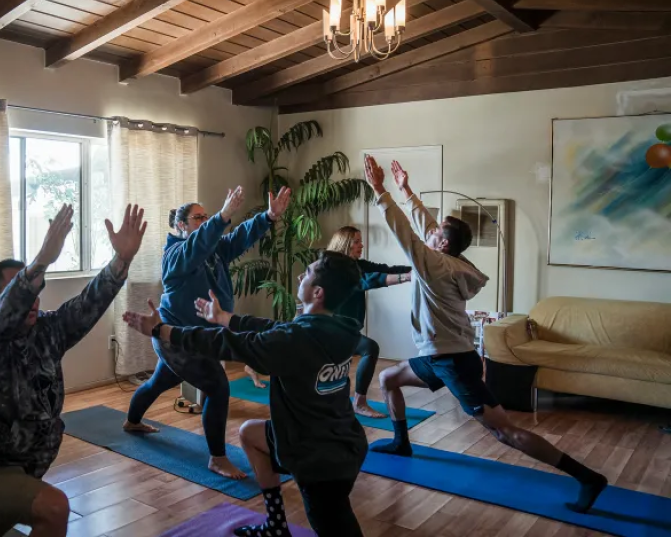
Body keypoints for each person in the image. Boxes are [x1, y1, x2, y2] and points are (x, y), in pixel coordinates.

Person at [364, 155, 608, 514]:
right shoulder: (456, 262)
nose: (430, 231)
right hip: (438, 355)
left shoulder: (432, 265)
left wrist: (381, 191)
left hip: (453, 361)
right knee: (388, 378)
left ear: (441, 245)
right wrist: (406, 191)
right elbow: (426, 226)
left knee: (503, 431)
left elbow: (406, 232)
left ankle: (586, 477)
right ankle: (402, 443)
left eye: (435, 233)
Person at [0, 203, 147, 537]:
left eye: (38, 288)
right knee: (54, 508)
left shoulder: (48, 329)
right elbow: (4, 316)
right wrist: (40, 263)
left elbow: (87, 305)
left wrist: (120, 261)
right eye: (24, 290)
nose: (34, 298)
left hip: (29, 466)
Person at [122, 250, 368, 537]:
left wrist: (163, 331)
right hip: (341, 440)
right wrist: (226, 317)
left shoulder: (296, 340)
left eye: (308, 272)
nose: (300, 275)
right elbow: (275, 329)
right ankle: (276, 525)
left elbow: (228, 345)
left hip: (317, 458)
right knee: (250, 433)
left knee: (335, 526)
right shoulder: (340, 329)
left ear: (317, 292)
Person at [123, 186, 292, 480]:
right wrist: (223, 215)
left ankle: (132, 421)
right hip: (175, 338)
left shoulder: (212, 247)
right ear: (180, 225)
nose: (204, 220)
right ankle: (217, 458)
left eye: (205, 216)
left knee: (159, 381)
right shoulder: (174, 255)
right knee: (217, 388)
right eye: (197, 217)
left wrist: (267, 217)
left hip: (192, 337)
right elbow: (197, 246)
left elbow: (237, 239)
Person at [326, 226, 412, 418]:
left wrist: (416, 270)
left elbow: (385, 270)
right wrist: (405, 277)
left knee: (354, 358)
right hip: (331, 329)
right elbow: (366, 281)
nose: (361, 245)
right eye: (356, 241)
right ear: (345, 244)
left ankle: (352, 402)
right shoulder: (335, 268)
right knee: (369, 348)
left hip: (347, 329)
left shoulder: (358, 265)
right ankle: (359, 402)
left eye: (360, 241)